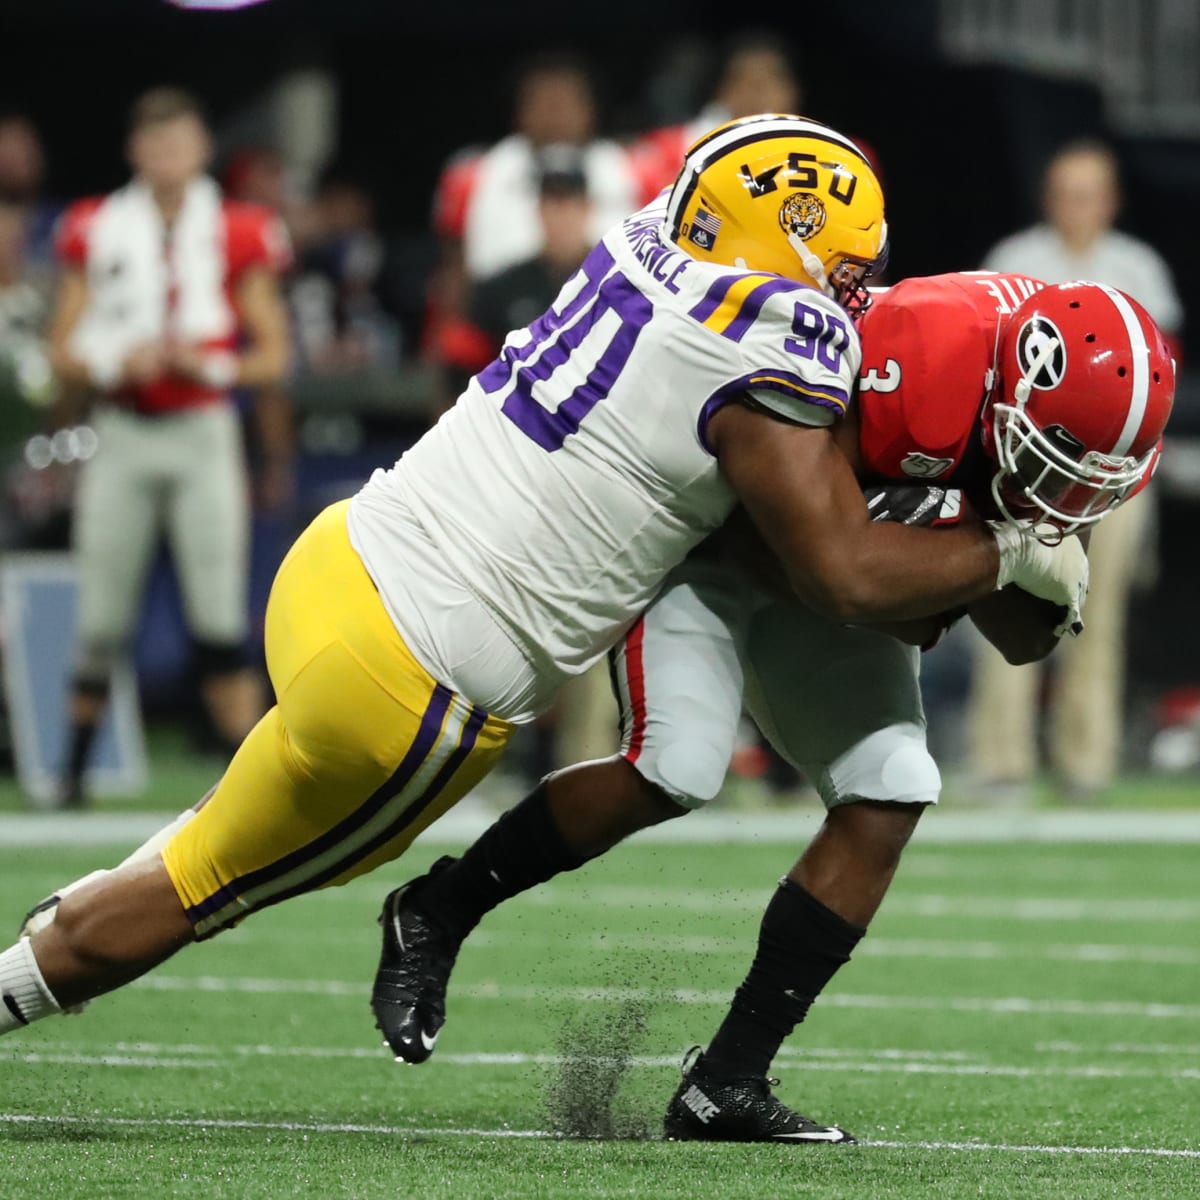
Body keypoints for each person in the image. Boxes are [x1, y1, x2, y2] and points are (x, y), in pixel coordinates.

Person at [1, 118, 1084, 1087]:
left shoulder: (641, 242)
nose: (855, 290)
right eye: (844, 268)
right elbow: (841, 573)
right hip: (410, 693)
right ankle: (33, 974)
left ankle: (56, 933)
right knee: (197, 887)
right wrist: (1008, 546)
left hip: (340, 559)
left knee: (202, 843)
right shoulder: (771, 337)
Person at [362, 271, 1173, 1142]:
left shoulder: (1067, 419)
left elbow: (1021, 635)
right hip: (711, 528)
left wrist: (997, 553)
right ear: (1007, 394)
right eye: (1055, 469)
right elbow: (838, 572)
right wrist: (1001, 552)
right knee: (674, 765)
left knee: (894, 787)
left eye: (1088, 484)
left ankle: (726, 1083)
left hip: (841, 559)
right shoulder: (924, 353)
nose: (1068, 502)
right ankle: (439, 908)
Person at [47, 87, 292, 806]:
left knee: (218, 617)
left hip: (202, 429)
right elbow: (63, 347)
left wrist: (206, 364)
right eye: (154, 144)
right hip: (123, 429)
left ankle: (247, 792)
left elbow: (273, 356)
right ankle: (68, 782)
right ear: (135, 151)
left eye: (178, 143)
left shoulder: (238, 228)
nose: (166, 157)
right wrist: (112, 363)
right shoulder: (95, 225)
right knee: (100, 620)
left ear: (201, 150)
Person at [969, 139, 1184, 799]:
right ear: (1048, 197)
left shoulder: (1137, 267)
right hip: (1026, 472)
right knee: (1004, 603)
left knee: (1099, 614)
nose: (1076, 206)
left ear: (1110, 200)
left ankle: (1086, 760)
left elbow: (1162, 377)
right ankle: (999, 762)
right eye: (1066, 191)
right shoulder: (1015, 260)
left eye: (1089, 192)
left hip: (1112, 472)